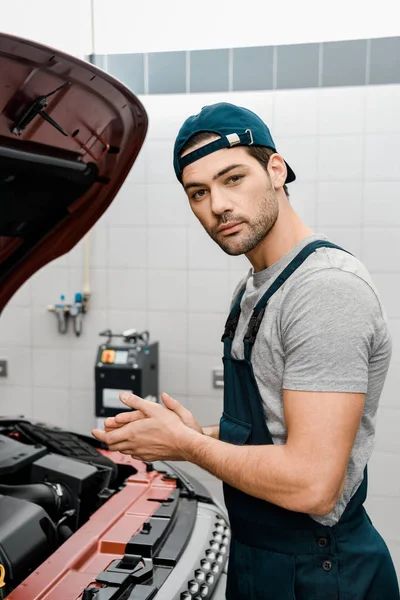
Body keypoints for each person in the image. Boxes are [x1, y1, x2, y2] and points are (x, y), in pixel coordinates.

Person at [92, 102, 400, 599]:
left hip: (322, 574)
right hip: (263, 559)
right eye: (199, 192)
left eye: (232, 178)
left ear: (275, 170)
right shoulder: (256, 288)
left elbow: (312, 484)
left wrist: (186, 446)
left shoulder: (323, 291)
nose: (217, 205)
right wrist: (201, 432)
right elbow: (279, 427)